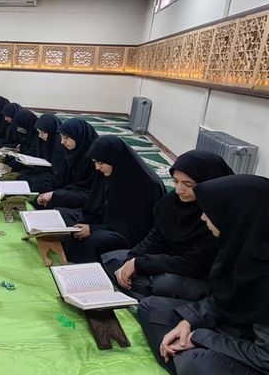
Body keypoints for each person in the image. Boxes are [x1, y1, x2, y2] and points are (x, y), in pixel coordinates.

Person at [137, 174, 269, 375]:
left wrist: (201, 337)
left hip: (258, 354)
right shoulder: (241, 245)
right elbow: (223, 299)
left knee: (194, 362)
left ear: (236, 215)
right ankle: (177, 359)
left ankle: (183, 361)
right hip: (234, 329)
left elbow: (264, 357)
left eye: (210, 212)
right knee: (151, 307)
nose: (203, 217)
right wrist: (189, 321)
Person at [102, 150, 234, 301]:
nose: (179, 190)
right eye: (175, 181)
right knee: (113, 260)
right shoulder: (171, 202)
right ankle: (149, 294)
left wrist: (141, 264)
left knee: (164, 284)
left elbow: (195, 264)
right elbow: (156, 237)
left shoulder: (217, 215)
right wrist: (133, 258)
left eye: (188, 185)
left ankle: (149, 295)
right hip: (167, 261)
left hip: (197, 274)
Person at [61, 135, 166, 263]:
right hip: (108, 222)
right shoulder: (108, 173)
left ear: (115, 159)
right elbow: (95, 206)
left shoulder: (147, 185)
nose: (97, 167)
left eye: (101, 163)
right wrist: (87, 223)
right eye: (95, 162)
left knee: (93, 240)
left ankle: (89, 272)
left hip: (129, 233)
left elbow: (136, 227)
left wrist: (93, 229)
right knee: (65, 217)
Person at [36, 118, 99, 210]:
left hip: (90, 198)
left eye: (66, 137)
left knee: (55, 204)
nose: (62, 142)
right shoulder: (71, 152)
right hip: (74, 191)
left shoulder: (95, 158)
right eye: (61, 137)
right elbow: (62, 180)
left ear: (78, 135)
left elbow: (91, 192)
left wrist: (57, 194)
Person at [18, 113, 65, 192]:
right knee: (22, 176)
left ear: (51, 130)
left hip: (54, 176)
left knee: (28, 183)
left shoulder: (60, 145)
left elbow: (58, 173)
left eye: (43, 133)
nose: (40, 136)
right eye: (38, 132)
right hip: (43, 171)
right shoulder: (42, 140)